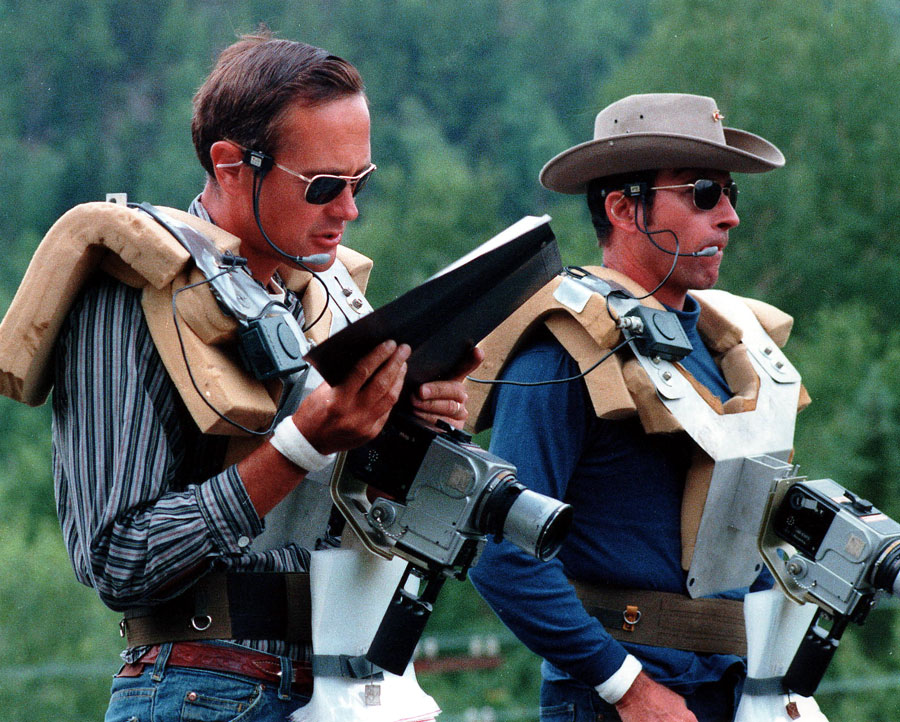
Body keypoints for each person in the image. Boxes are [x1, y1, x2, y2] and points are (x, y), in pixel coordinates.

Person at [48, 30, 475, 720]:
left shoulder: (327, 304)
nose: (349, 209)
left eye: (360, 182)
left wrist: (412, 431)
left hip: (341, 686)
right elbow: (119, 559)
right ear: (230, 165)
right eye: (324, 186)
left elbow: (354, 519)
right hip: (202, 689)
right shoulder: (132, 294)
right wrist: (301, 445)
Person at [466, 93, 808, 722]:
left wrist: (777, 688)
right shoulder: (565, 355)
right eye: (703, 193)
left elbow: (743, 543)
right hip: (618, 704)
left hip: (733, 693)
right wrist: (629, 690)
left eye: (730, 193)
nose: (729, 216)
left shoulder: (732, 349)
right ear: (624, 208)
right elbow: (502, 556)